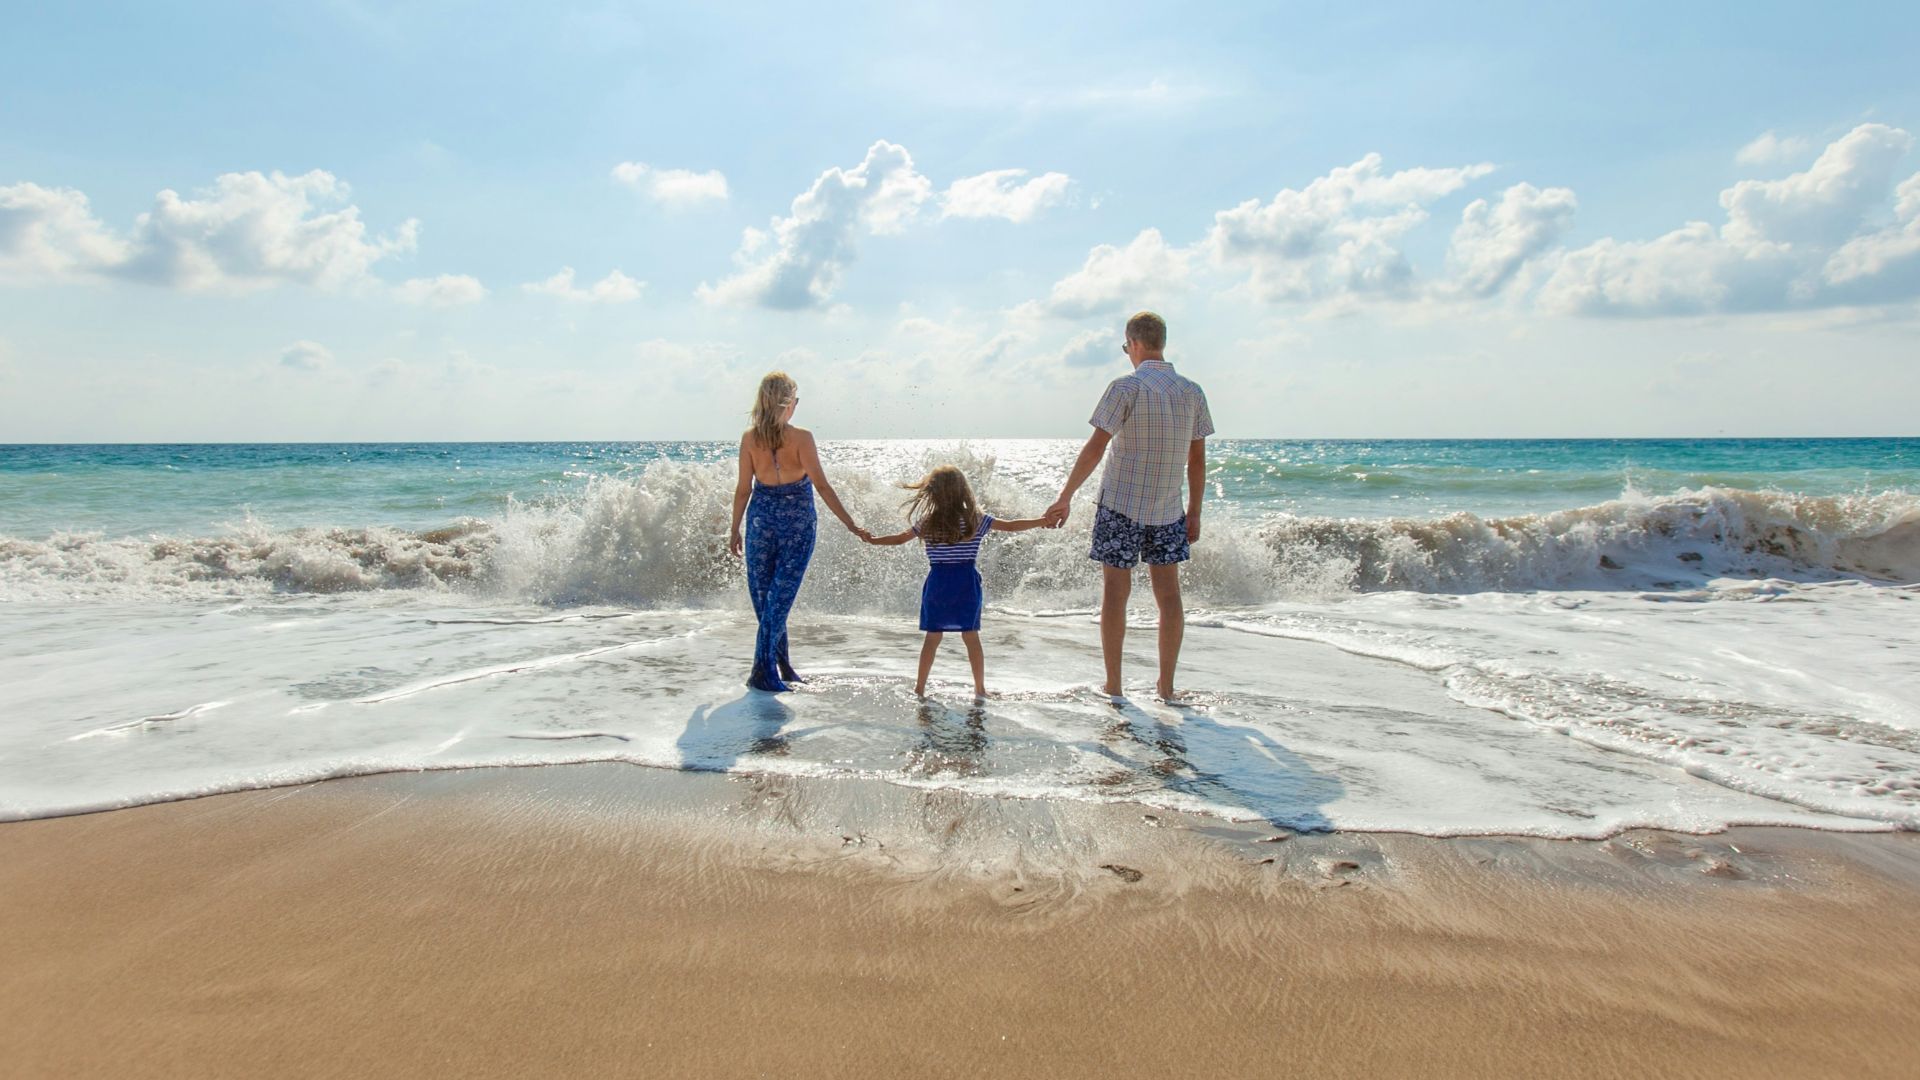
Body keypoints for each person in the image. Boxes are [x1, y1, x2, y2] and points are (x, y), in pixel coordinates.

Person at [1044, 311, 1213, 701]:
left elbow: (1095, 448)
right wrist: (1196, 511)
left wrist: (1065, 496)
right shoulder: (1192, 391)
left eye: (1126, 347)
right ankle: (1166, 687)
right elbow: (1198, 461)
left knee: (1115, 594)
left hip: (1120, 505)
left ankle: (1115, 685)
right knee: (1169, 596)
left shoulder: (1125, 388)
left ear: (1134, 343)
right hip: (1169, 510)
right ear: (1162, 343)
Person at [728, 372, 868, 692]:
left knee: (768, 601)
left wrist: (735, 528)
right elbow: (821, 485)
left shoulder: (750, 438)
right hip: (797, 525)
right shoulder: (802, 438)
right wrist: (850, 523)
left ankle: (782, 666)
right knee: (777, 601)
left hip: (761, 522)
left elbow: (742, 490)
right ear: (790, 403)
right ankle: (763, 670)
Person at [863, 465, 1051, 699]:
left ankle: (920, 689)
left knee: (932, 638)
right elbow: (1011, 526)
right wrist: (1043, 521)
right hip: (965, 583)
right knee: (971, 636)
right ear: (963, 491)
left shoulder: (928, 522)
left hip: (938, 583)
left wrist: (873, 540)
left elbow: (900, 539)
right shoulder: (975, 520)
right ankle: (980, 689)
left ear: (933, 493)